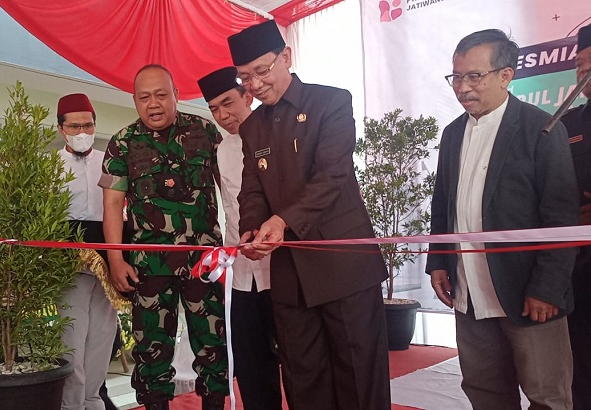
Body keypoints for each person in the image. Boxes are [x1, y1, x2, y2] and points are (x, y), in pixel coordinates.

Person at [227, 20, 391, 410]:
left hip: (343, 268)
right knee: (303, 379)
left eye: (262, 71)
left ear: (286, 57)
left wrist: (281, 222)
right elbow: (251, 191)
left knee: (358, 375)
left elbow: (332, 176)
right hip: (289, 277)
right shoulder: (252, 129)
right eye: (245, 78)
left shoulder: (331, 102)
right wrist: (252, 230)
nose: (256, 84)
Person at [426, 29, 577, 409]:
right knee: (485, 393)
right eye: (456, 77)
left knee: (547, 396)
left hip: (527, 295)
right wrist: (439, 262)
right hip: (470, 295)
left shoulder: (541, 129)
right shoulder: (452, 134)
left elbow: (560, 217)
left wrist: (547, 288)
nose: (462, 88)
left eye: (473, 76)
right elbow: (442, 203)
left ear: (505, 76)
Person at [99, 65, 227, 410]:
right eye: (144, 97)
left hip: (204, 263)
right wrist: (115, 258)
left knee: (212, 344)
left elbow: (231, 186)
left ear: (175, 94)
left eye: (160, 95)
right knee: (151, 350)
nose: (153, 104)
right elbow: (112, 205)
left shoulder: (204, 131)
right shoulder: (123, 143)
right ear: (135, 100)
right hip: (149, 266)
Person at [196, 67, 282, 410]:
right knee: (250, 364)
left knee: (297, 360)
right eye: (214, 108)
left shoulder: (276, 133)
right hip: (241, 275)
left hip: (283, 269)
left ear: (248, 96)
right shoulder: (222, 150)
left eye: (228, 103)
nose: (222, 115)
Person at [56, 93, 119, 410]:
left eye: (89, 125)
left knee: (103, 335)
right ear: (61, 129)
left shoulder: (111, 162)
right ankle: (72, 404)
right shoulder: (49, 168)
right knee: (72, 337)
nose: (83, 132)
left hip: (107, 257)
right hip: (68, 261)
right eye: (75, 126)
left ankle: (94, 399)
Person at [560, 23, 591, 410]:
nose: (584, 74)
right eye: (580, 66)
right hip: (579, 270)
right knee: (580, 366)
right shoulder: (566, 125)